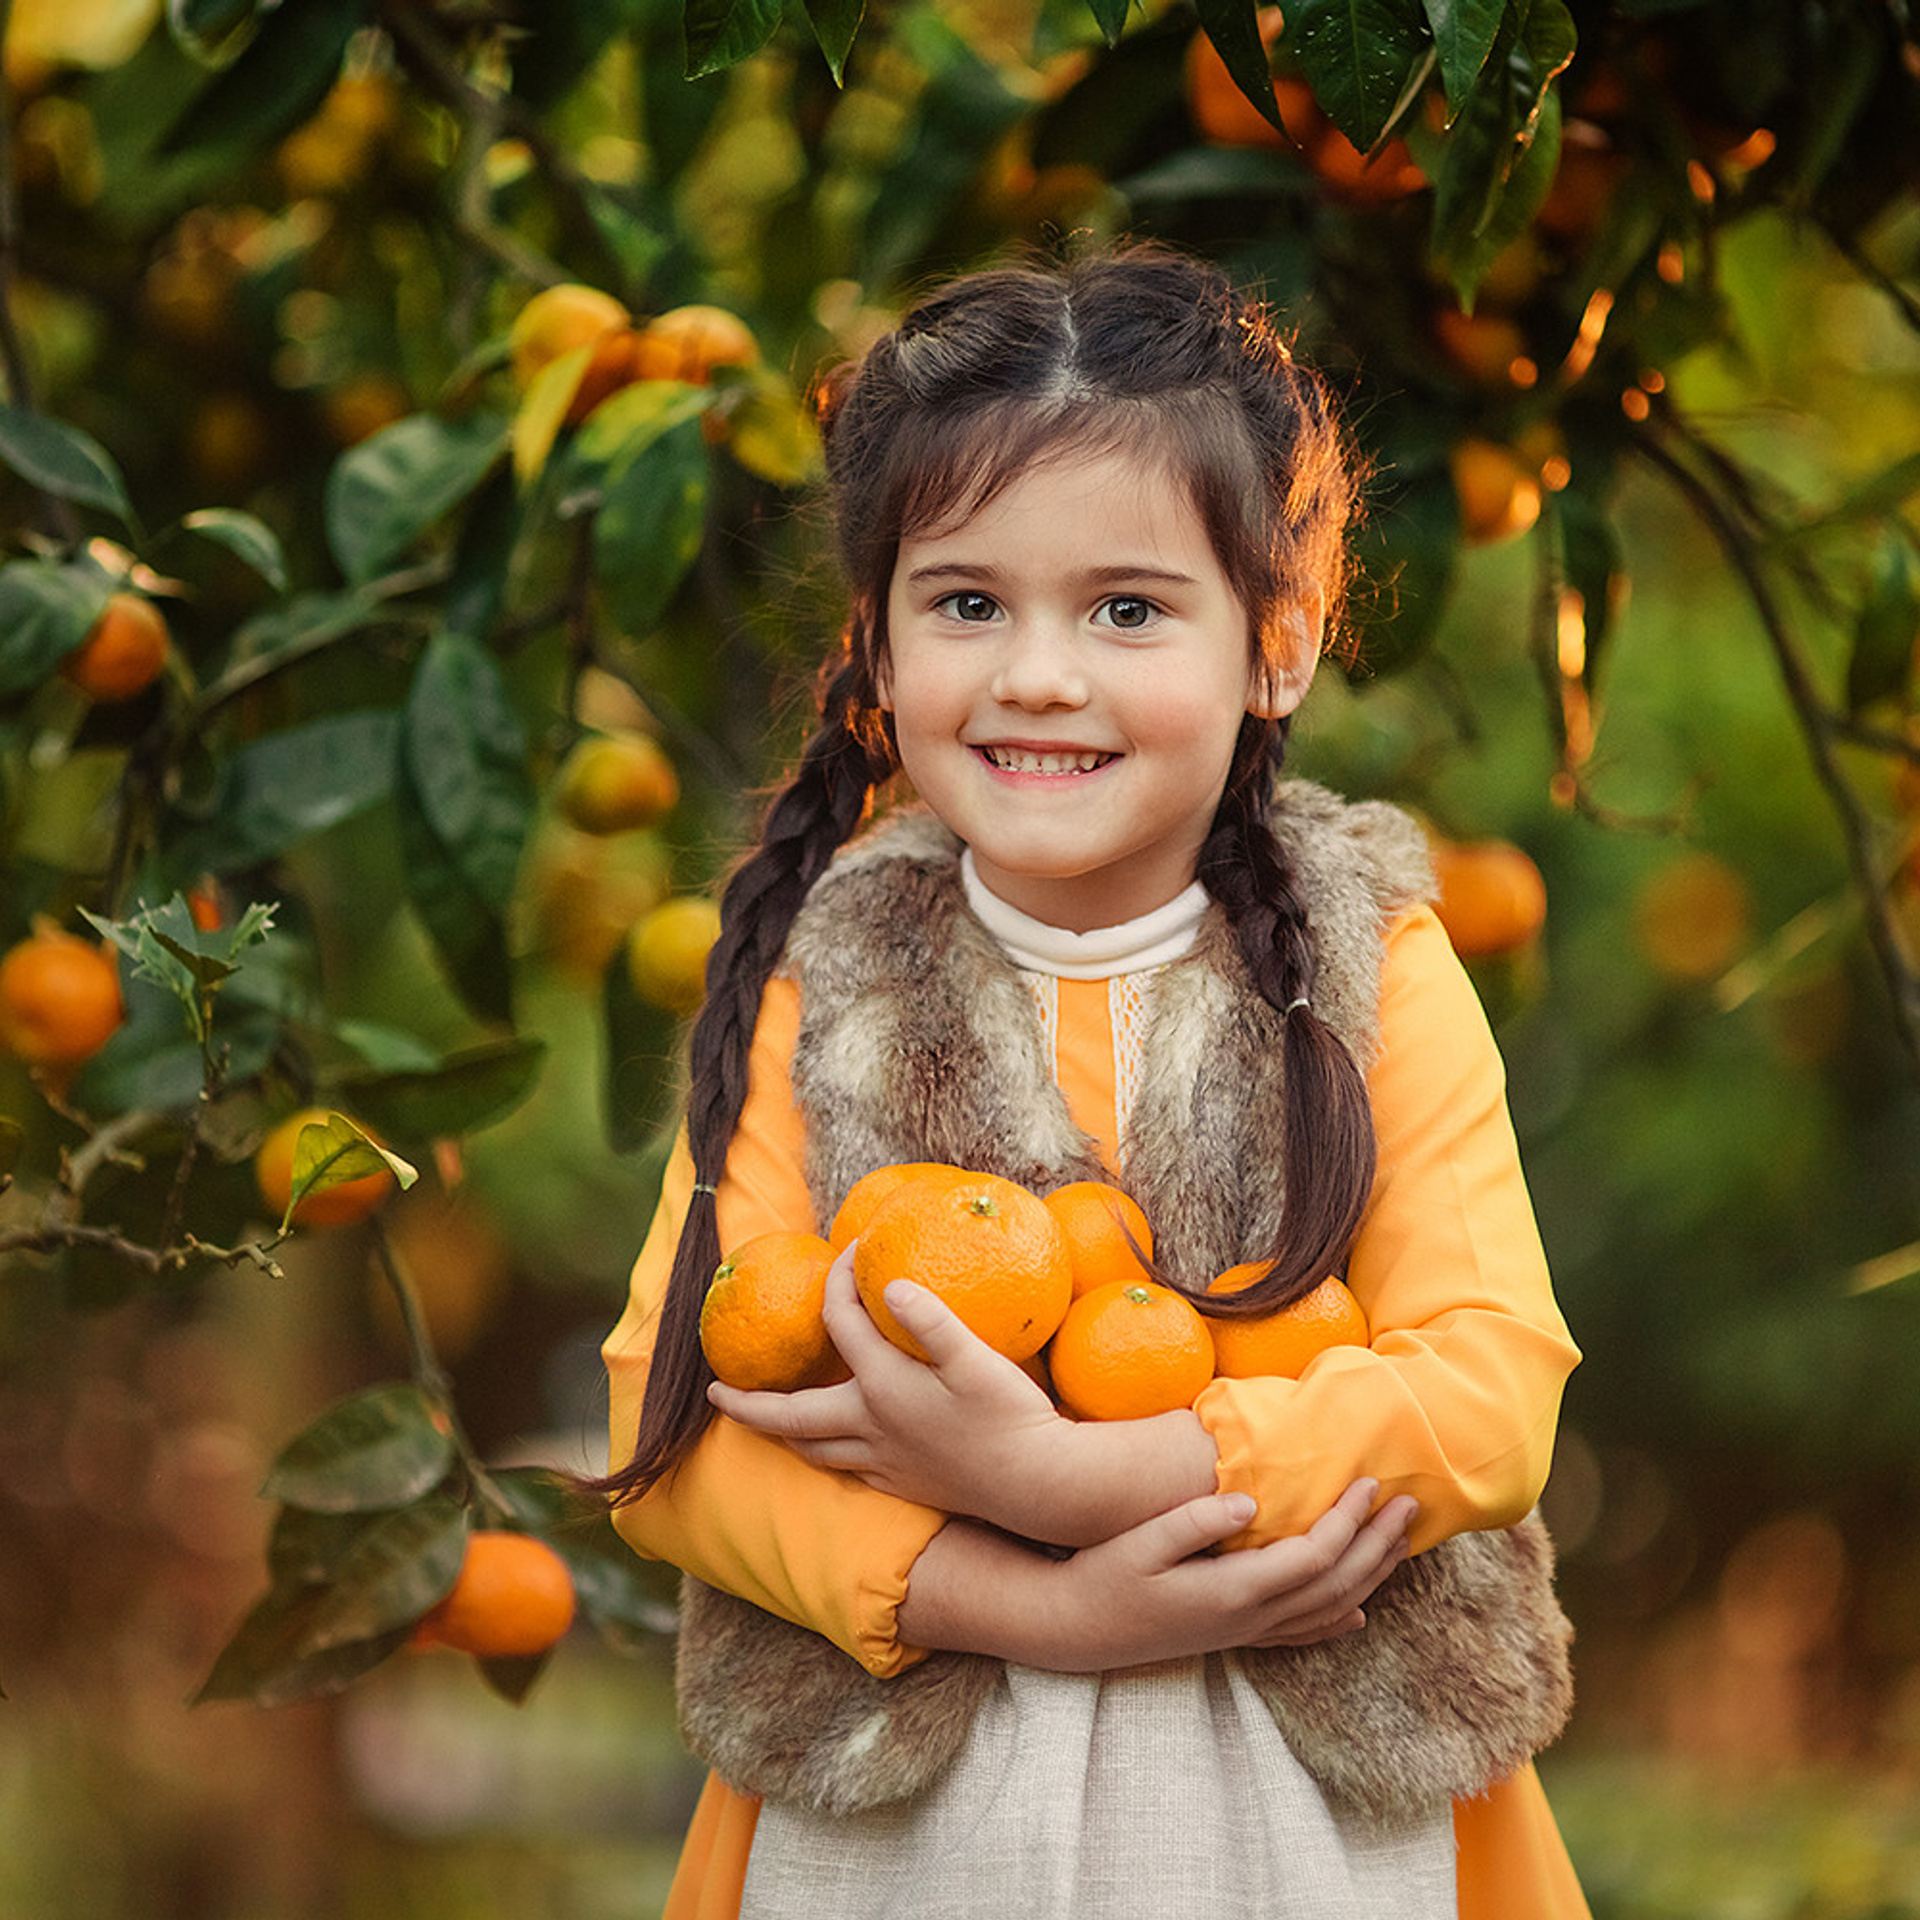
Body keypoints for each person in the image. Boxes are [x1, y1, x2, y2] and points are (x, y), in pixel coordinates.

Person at [600, 244, 1590, 1919]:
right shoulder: (819, 977)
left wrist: (1083, 1482)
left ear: (1276, 644)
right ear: (882, 642)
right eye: (968, 602)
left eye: (1127, 608)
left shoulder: (1375, 958)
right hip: (903, 1836)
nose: (1039, 673)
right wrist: (1037, 1596)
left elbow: (1491, 1392)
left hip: (1321, 1825)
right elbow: (665, 1423)